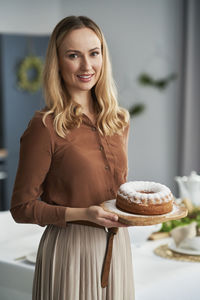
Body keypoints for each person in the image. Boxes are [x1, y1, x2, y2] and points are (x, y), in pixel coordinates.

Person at [10, 16, 135, 300]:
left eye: (94, 53)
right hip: (71, 249)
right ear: (58, 62)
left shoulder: (118, 121)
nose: (86, 66)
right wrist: (83, 214)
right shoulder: (45, 127)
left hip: (117, 247)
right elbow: (21, 207)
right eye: (73, 55)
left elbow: (112, 188)